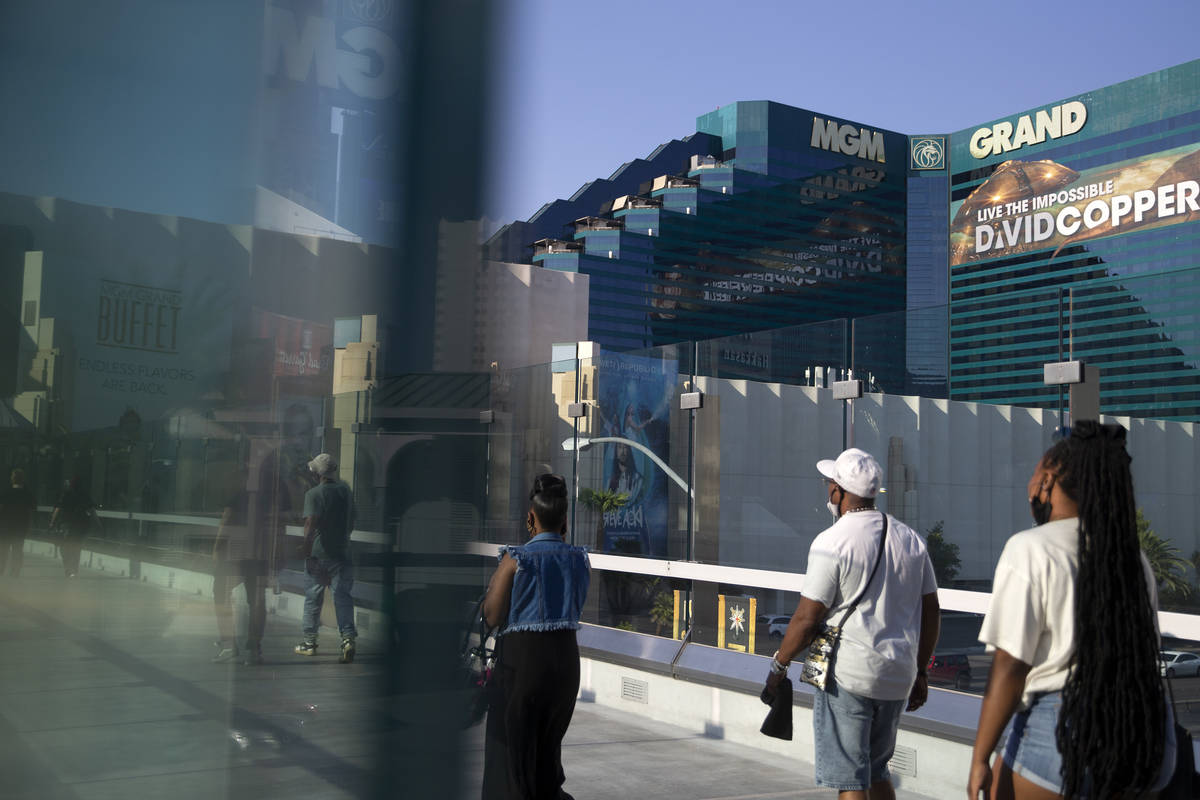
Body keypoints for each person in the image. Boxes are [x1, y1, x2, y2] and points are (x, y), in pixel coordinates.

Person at [968, 422, 1175, 799]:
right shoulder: (1133, 556)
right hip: (1145, 732)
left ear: (1048, 480)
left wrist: (980, 757)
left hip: (1065, 729)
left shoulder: (1031, 547)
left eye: (1033, 475)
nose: (1029, 485)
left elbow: (1010, 665)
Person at [767, 448, 940, 800]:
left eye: (829, 483)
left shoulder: (832, 542)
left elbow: (806, 618)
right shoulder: (910, 540)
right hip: (898, 676)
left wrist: (778, 665)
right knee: (877, 770)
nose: (827, 490)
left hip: (849, 677)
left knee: (850, 779)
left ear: (838, 491)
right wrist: (921, 671)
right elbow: (932, 612)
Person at [481, 473, 591, 800]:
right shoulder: (579, 559)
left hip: (523, 663)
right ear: (565, 519)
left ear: (531, 516)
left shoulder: (517, 558)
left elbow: (492, 615)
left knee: (511, 748)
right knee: (546, 747)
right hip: (566, 663)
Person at [294, 453, 357, 663]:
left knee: (313, 598)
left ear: (316, 473)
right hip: (344, 553)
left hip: (320, 554)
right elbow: (353, 519)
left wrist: (305, 548)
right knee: (343, 598)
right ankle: (348, 639)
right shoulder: (346, 492)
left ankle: (309, 642)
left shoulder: (314, 494)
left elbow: (311, 523)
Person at [211, 468, 269, 665]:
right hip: (259, 556)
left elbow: (226, 521)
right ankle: (255, 650)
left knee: (220, 593)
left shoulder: (236, 496)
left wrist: (216, 549)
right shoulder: (266, 497)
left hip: (234, 557)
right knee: (257, 602)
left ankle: (229, 645)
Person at [50, 477, 95, 578]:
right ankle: (74, 569)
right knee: (77, 547)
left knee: (64, 547)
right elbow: (92, 511)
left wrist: (52, 523)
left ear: (71, 485)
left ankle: (68, 567)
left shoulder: (66, 495)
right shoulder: (84, 495)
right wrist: (98, 525)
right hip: (80, 526)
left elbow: (57, 509)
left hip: (66, 524)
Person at [0, 469, 36, 576]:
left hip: (5, 527)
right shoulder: (27, 494)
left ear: (12, 479)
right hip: (21, 527)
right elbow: (31, 510)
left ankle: (1, 569)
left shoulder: (6, 493)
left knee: (3, 549)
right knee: (18, 549)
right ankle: (15, 571)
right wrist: (29, 525)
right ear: (23, 479)